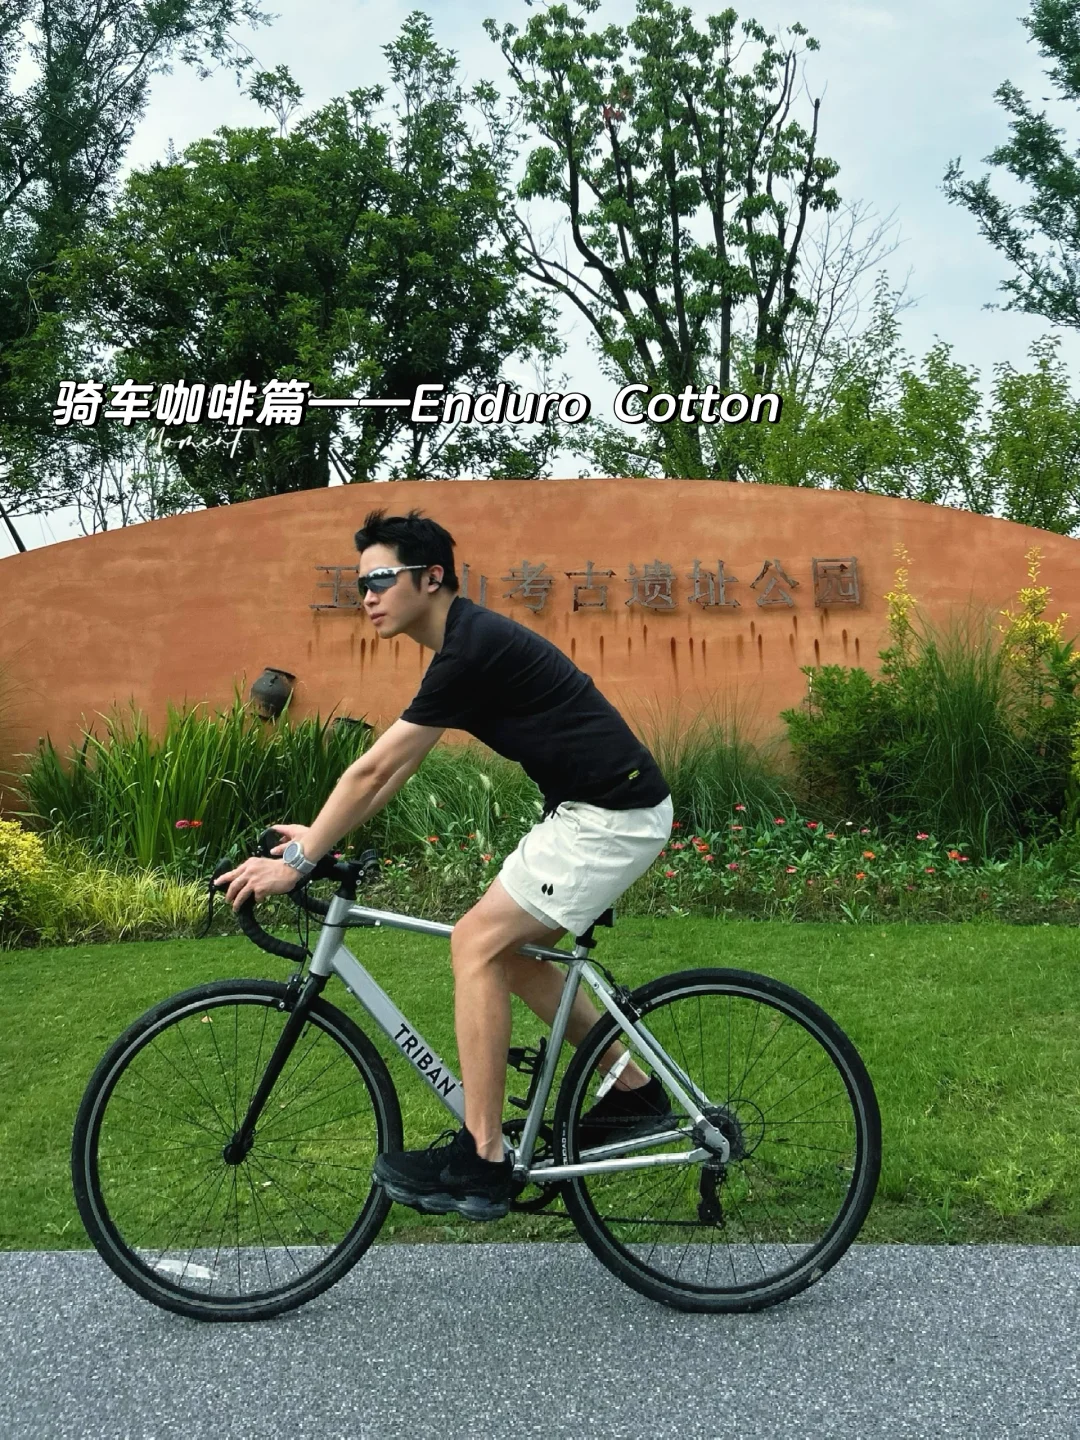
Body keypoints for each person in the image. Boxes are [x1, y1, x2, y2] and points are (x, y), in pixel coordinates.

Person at [215, 508, 673, 1222]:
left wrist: (299, 861)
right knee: (512, 956)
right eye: (358, 585)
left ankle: (483, 1159)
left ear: (431, 578)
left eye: (379, 579)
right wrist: (320, 841)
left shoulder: (471, 648)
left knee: (475, 943)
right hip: (599, 811)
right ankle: (634, 1091)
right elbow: (394, 772)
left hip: (610, 815)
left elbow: (373, 770)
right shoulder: (464, 648)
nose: (366, 596)